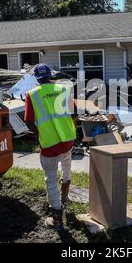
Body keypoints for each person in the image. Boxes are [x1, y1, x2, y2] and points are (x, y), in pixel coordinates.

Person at [24, 63, 76, 230]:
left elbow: (28, 121)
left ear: (36, 78)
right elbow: (73, 114)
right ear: (50, 75)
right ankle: (65, 196)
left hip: (49, 144)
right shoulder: (64, 89)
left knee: (50, 179)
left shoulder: (32, 94)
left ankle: (57, 219)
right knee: (67, 164)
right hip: (68, 139)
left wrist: (40, 134)